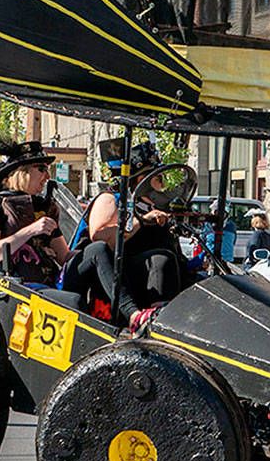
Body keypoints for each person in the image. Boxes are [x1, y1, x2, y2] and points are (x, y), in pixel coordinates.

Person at [60, 140, 182, 334]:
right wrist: (140, 222)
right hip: (94, 274)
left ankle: (162, 319)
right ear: (140, 179)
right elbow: (99, 237)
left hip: (127, 275)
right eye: (158, 178)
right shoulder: (110, 198)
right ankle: (136, 317)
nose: (163, 184)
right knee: (160, 257)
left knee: (166, 257)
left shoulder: (151, 209)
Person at [0, 140, 70, 286]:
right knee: (73, 303)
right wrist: (31, 230)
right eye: (41, 169)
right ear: (22, 171)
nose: (48, 176)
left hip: (51, 284)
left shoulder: (45, 206)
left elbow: (64, 256)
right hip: (18, 289)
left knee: (97, 251)